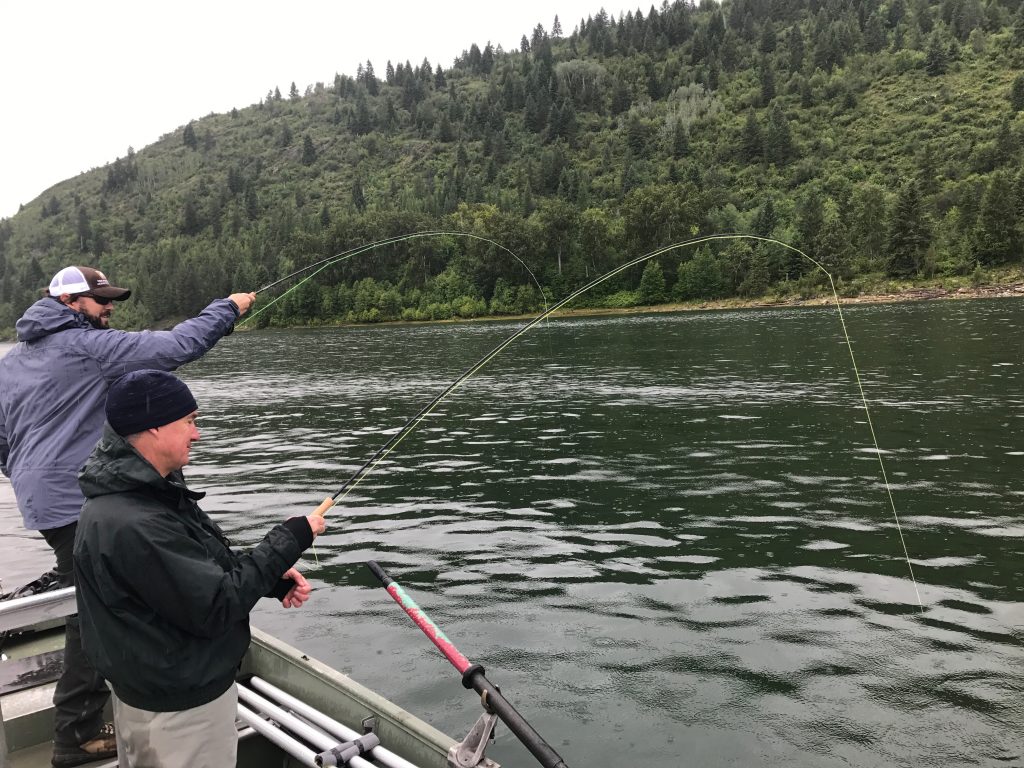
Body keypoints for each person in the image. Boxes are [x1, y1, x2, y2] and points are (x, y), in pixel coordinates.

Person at [0, 265, 256, 767]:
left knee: (99, 597)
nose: (110, 308)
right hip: (79, 499)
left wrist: (29, 475)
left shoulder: (13, 362)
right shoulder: (87, 347)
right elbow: (174, 347)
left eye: (112, 299)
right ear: (70, 303)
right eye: (102, 300)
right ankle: (76, 733)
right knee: (94, 610)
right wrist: (228, 309)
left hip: (45, 501)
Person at [73, 370, 326, 768]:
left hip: (159, 692)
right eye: (189, 421)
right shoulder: (137, 522)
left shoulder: (142, 495)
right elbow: (216, 607)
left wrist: (269, 581)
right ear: (154, 427)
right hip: (179, 711)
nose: (197, 434)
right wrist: (288, 540)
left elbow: (194, 569)